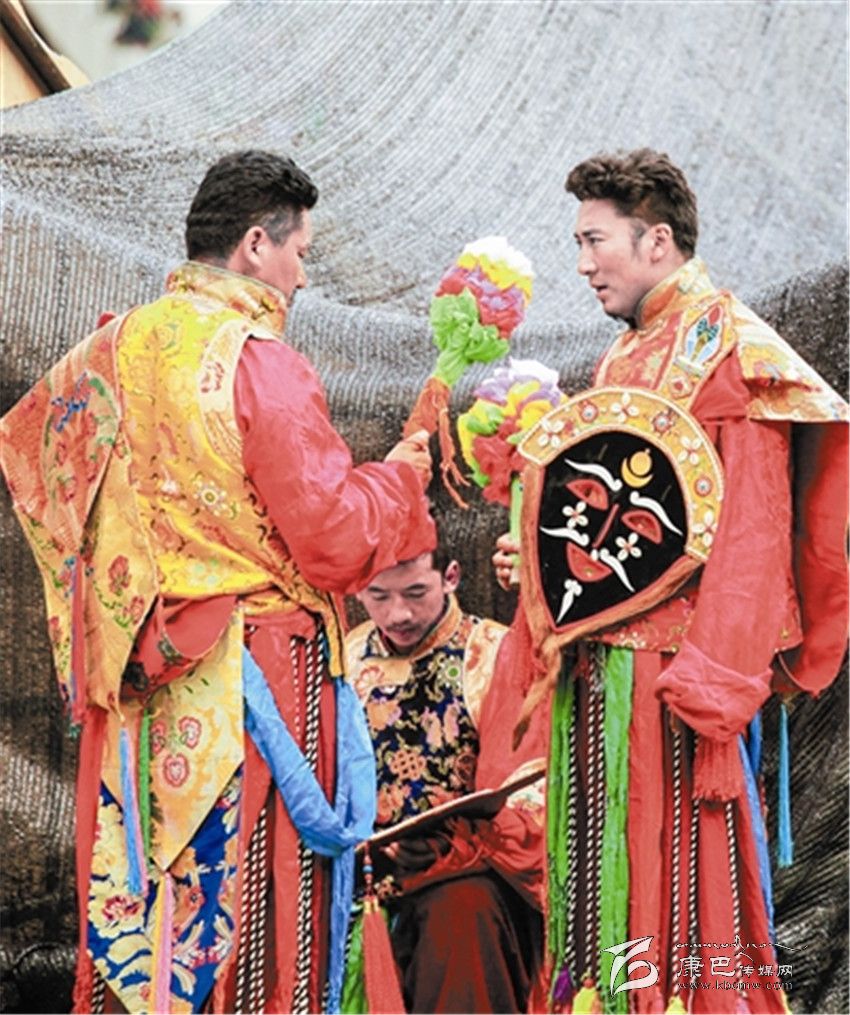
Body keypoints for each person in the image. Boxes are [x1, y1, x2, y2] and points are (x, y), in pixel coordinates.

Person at [0, 150, 436, 1014]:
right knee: (251, 910)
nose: (303, 276)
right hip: (253, 673)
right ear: (254, 245)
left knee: (143, 907)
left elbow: (32, 462)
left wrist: (114, 602)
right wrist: (402, 477)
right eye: (300, 252)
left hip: (136, 677)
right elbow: (333, 538)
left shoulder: (105, 349)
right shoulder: (260, 360)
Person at [493, 149, 848, 1014]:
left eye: (595, 240)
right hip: (596, 676)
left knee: (680, 890)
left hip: (674, 682)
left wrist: (715, 685)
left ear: (656, 240)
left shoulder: (730, 347)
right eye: (579, 244)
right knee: (597, 884)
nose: (583, 264)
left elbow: (755, 531)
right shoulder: (624, 355)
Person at [343, 539, 547, 1013]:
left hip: (468, 868)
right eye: (379, 596)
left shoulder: (494, 652)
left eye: (416, 593)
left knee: (462, 910)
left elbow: (529, 783)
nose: (398, 614)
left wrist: (458, 844)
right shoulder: (346, 655)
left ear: (451, 577)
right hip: (364, 872)